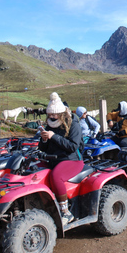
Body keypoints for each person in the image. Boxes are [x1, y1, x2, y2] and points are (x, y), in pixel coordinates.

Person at [38, 92, 83, 225]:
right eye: (50, 115)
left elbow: (73, 146)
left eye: (54, 115)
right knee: (35, 172)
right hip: (53, 159)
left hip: (72, 159)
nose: (52, 117)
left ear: (61, 114)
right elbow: (43, 148)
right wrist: (45, 140)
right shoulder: (50, 125)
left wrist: (54, 137)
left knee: (56, 176)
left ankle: (65, 212)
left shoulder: (73, 124)